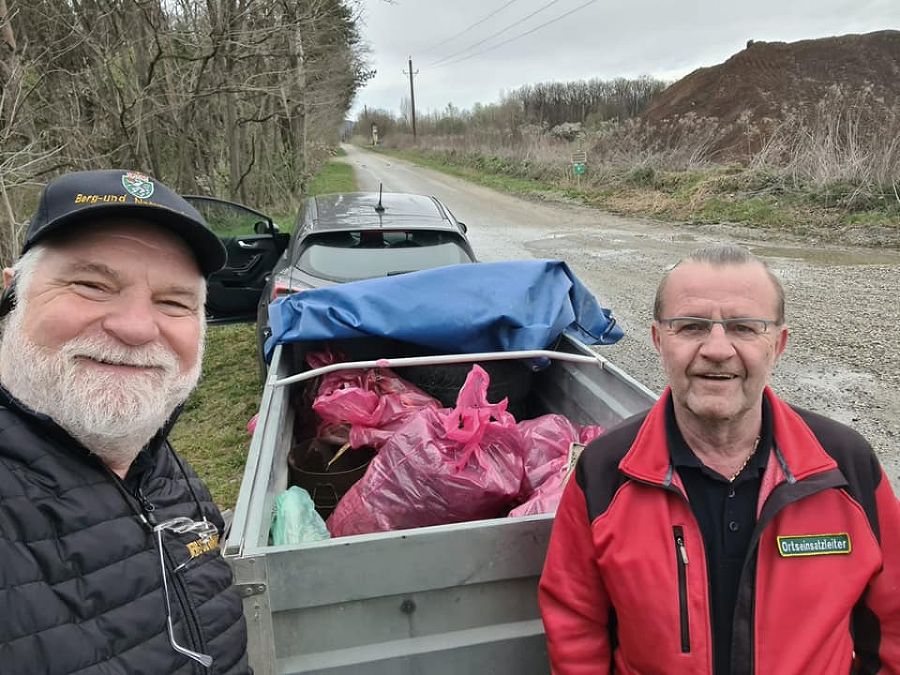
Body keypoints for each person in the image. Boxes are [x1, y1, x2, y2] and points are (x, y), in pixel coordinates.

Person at [539, 244, 900, 674]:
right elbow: (576, 624)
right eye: (690, 327)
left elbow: (894, 619)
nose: (716, 348)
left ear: (778, 344)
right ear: (658, 340)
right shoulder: (605, 472)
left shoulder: (844, 465)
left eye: (744, 328)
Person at [0, 170, 251, 673]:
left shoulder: (163, 473)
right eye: (92, 285)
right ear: (11, 294)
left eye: (174, 302)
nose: (136, 328)